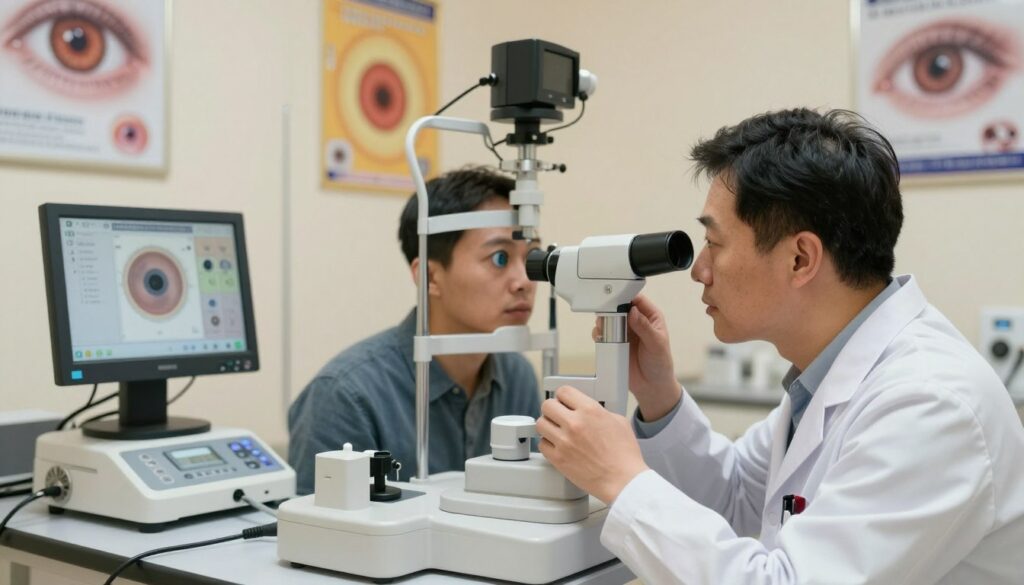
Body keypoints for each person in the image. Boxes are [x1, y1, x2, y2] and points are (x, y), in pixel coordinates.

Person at [536, 109, 1024, 583]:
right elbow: (735, 497)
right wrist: (659, 394)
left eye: (716, 243)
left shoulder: (930, 405)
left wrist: (621, 480)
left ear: (799, 258)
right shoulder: (831, 376)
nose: (699, 270)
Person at [288, 167, 542, 494]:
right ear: (430, 277)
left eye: (533, 257)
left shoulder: (516, 377)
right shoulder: (347, 397)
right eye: (499, 258)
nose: (524, 282)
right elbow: (317, 537)